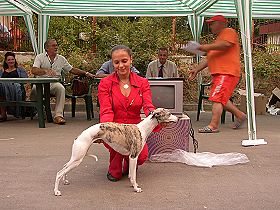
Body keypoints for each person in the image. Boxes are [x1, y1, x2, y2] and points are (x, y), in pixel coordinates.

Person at [98, 45, 161, 182]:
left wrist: (158, 118)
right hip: (115, 125)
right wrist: (106, 130)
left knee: (142, 156)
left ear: (131, 60)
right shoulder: (105, 83)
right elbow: (106, 109)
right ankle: (114, 168)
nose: (121, 65)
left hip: (135, 128)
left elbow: (148, 106)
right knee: (117, 146)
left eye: (124, 61)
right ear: (112, 63)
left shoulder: (143, 82)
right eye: (116, 62)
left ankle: (128, 163)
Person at [188, 15, 246, 133]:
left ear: (220, 23)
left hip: (227, 73)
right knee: (220, 99)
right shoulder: (218, 40)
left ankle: (213, 126)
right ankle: (240, 115)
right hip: (221, 74)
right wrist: (196, 69)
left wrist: (202, 47)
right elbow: (210, 58)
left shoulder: (228, 32)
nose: (210, 26)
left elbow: (226, 45)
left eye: (212, 23)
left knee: (217, 99)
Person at [30, 39, 95, 125]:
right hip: (40, 84)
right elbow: (34, 70)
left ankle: (58, 116)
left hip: (54, 83)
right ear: (46, 48)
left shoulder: (61, 59)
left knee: (61, 88)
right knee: (34, 91)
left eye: (56, 45)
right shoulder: (40, 57)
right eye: (53, 45)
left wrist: (85, 73)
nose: (56, 47)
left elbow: (71, 69)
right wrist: (45, 71)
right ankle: (41, 111)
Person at [0, 52, 28, 121]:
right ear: (6, 61)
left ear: (15, 60)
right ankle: (3, 114)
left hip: (17, 88)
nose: (11, 61)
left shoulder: (20, 70)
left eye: (12, 59)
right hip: (3, 89)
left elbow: (25, 81)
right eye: (9, 60)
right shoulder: (2, 71)